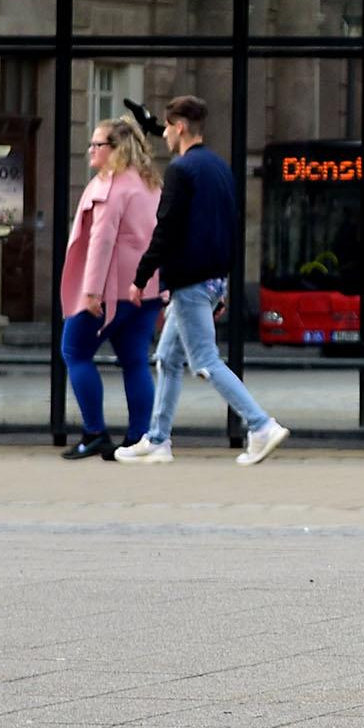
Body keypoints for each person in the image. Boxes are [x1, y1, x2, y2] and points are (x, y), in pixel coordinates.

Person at [116, 94, 286, 464]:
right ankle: (158, 440)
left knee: (206, 360)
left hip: (191, 283)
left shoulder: (181, 170)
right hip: (209, 280)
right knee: (167, 357)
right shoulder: (220, 168)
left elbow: (166, 229)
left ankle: (260, 425)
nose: (163, 135)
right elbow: (230, 227)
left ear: (179, 128)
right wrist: (222, 283)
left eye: (166, 128)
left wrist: (141, 277)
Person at [57, 116, 165, 460]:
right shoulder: (149, 184)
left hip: (111, 291)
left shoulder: (110, 185)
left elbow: (101, 242)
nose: (91, 150)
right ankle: (138, 438)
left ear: (116, 149)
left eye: (97, 144)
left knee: (74, 352)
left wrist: (91, 292)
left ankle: (94, 433)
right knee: (135, 361)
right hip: (147, 290)